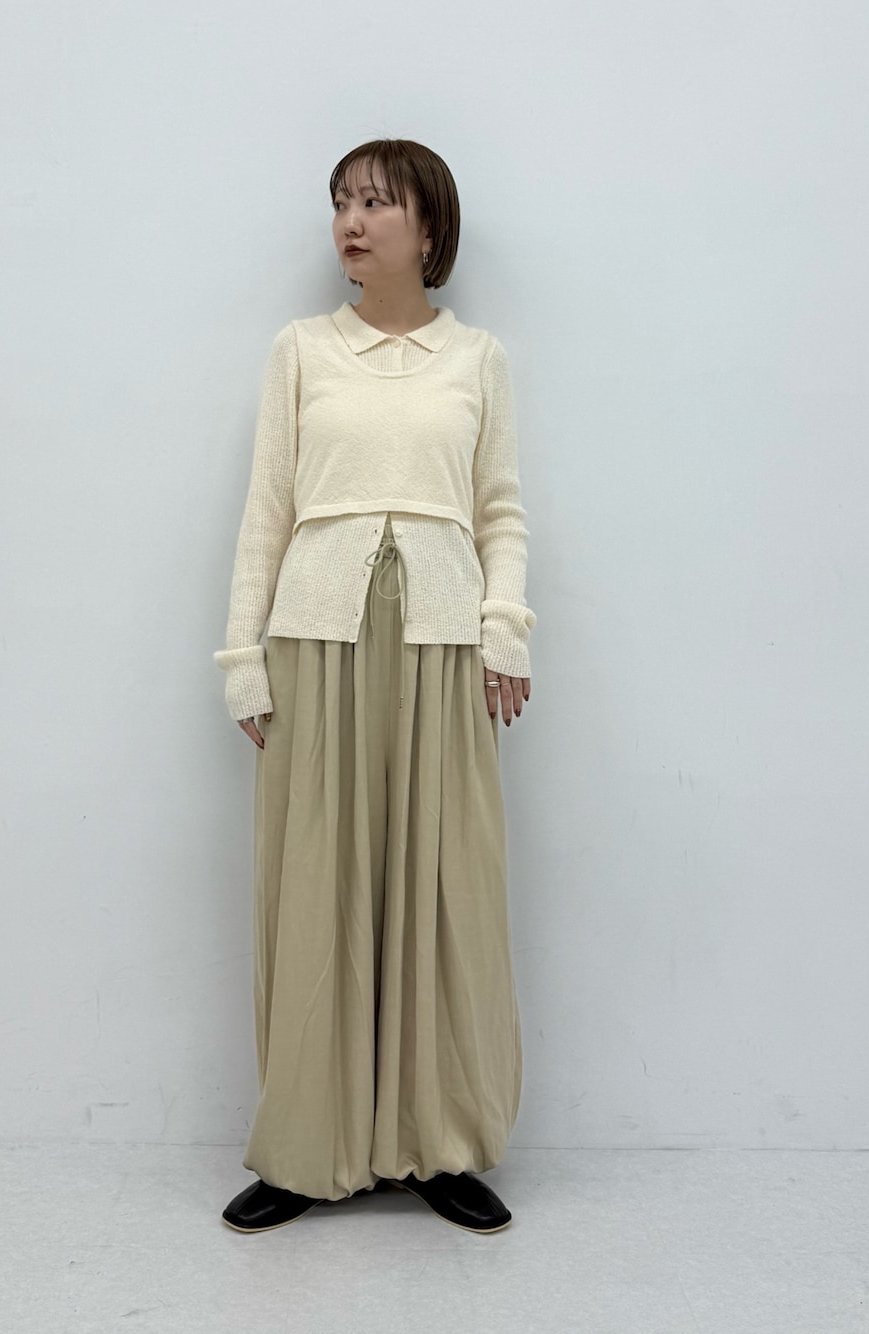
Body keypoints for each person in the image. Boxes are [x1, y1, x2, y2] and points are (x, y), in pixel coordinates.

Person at [213, 139, 536, 1236]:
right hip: (317, 639)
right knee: (318, 887)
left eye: (376, 202)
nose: (351, 221)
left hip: (442, 645)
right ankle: (308, 1147)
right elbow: (267, 510)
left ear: (428, 227)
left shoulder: (477, 359)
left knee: (444, 889)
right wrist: (242, 657)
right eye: (342, 202)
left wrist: (504, 631)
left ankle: (436, 1143)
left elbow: (499, 510)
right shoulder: (301, 351)